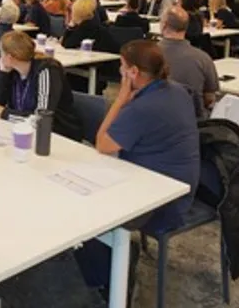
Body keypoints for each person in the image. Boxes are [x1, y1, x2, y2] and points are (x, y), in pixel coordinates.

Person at [80, 40, 199, 295]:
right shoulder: (176, 91)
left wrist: (121, 98)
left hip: (160, 200)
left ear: (133, 72)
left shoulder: (142, 108)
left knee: (85, 206)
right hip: (180, 183)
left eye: (123, 68)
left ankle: (110, 276)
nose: (120, 73)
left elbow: (102, 143)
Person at [0, 31, 82, 140]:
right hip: (25, 131)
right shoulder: (12, 72)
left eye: (1, 53)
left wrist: (5, 114)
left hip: (57, 135)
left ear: (9, 57)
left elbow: (42, 119)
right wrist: (3, 73)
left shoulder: (47, 70)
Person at [158, 7, 219, 116]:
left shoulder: (146, 56)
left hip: (155, 121)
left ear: (164, 25)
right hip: (194, 124)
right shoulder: (203, 58)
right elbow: (210, 98)